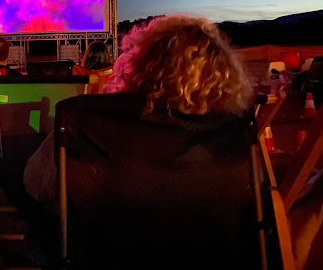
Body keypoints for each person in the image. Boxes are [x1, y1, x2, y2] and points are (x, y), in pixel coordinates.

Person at [25, 14, 253, 203]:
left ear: (140, 64)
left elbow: (36, 184)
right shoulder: (233, 133)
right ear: (225, 74)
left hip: (105, 252)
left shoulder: (86, 121)